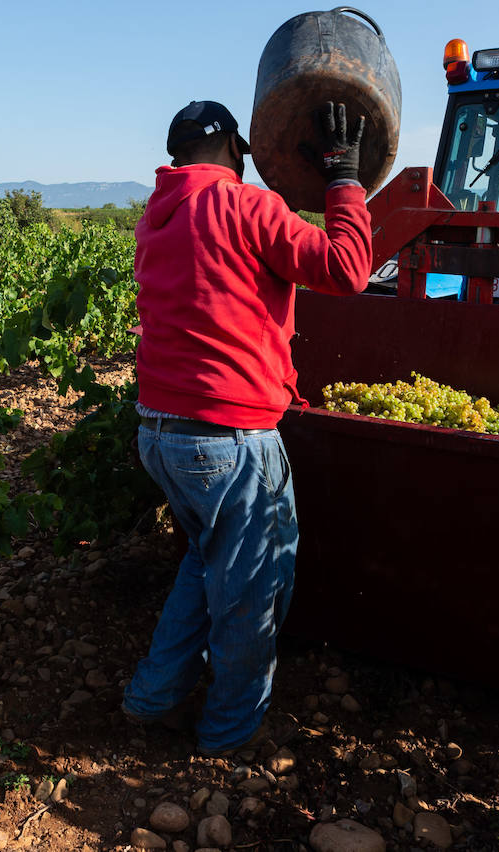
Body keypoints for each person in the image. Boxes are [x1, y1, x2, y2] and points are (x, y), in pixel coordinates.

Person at [122, 99, 373, 755]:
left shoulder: (158, 212)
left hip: (161, 431)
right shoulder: (248, 207)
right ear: (238, 145)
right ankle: (228, 739)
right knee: (252, 592)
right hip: (228, 439)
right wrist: (344, 180)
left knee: (207, 562)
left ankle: (154, 698)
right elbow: (347, 270)